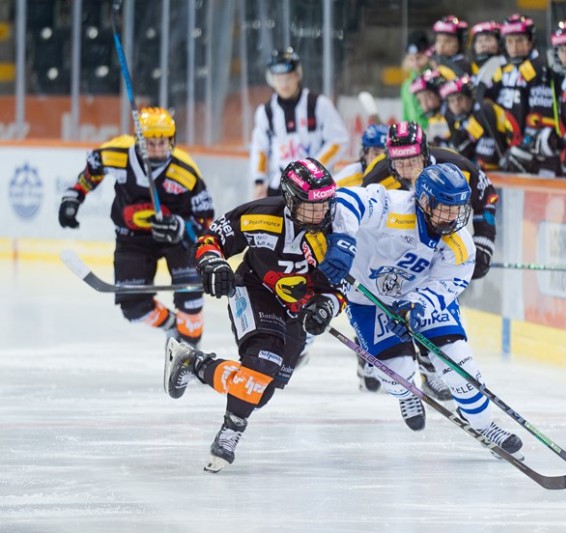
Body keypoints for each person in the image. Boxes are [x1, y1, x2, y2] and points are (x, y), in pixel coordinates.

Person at [316, 162, 523, 457]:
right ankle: (406, 393)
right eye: (446, 208)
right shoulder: (393, 206)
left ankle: (485, 425)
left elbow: (450, 282)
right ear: (424, 200)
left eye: (458, 208)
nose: (453, 216)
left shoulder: (460, 243)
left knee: (458, 363)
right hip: (366, 294)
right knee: (397, 372)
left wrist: (418, 306)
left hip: (419, 295)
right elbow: (345, 200)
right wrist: (343, 242)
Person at [164, 158, 345, 473]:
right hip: (255, 290)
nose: (321, 213)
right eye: (311, 206)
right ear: (290, 199)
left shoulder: (340, 230)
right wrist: (213, 264)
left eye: (325, 204)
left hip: (299, 310)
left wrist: (327, 305)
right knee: (264, 359)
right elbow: (211, 240)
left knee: (258, 391)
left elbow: (346, 286)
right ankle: (231, 431)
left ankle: (194, 364)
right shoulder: (259, 217)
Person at [358, 121, 498, 401]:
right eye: (400, 161)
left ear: (425, 151)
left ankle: (431, 362)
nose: (408, 168)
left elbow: (487, 198)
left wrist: (484, 240)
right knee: (398, 308)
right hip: (400, 252)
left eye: (413, 159)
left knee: (433, 302)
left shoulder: (455, 165)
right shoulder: (378, 176)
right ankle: (405, 358)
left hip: (443, 243)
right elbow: (365, 229)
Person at [58, 107, 213, 348]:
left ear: (172, 140)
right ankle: (171, 325)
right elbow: (92, 172)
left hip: (177, 240)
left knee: (191, 299)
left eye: (163, 142)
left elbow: (206, 219)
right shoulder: (115, 153)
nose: (158, 148)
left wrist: (182, 227)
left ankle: (191, 350)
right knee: (133, 307)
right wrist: (73, 197)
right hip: (132, 238)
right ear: (139, 140)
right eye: (151, 143)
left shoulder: (186, 170)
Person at [249, 47, 349, 199]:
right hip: (278, 187)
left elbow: (339, 140)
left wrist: (313, 170)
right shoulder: (265, 112)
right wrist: (259, 180)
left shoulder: (318, 105)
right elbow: (260, 148)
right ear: (271, 80)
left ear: (297, 76)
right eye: (278, 79)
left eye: (288, 78)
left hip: (316, 187)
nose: (284, 84)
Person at [484, 14, 558, 176]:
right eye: (510, 41)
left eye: (520, 41)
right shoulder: (504, 69)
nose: (515, 47)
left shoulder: (539, 68)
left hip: (538, 157)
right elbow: (486, 103)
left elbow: (540, 117)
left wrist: (523, 148)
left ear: (531, 41)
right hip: (510, 151)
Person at [439, 74, 515, 170]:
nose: (456, 104)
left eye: (460, 98)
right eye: (451, 101)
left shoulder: (486, 110)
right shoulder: (459, 122)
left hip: (505, 166)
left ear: (471, 97)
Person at [409, 68, 453, 147]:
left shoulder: (453, 115)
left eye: (427, 97)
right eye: (420, 100)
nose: (425, 105)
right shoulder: (432, 118)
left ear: (439, 94)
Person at [401, 31, 433, 128]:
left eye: (419, 58)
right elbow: (406, 116)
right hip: (413, 139)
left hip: (433, 135)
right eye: (411, 59)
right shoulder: (406, 86)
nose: (415, 63)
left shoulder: (435, 80)